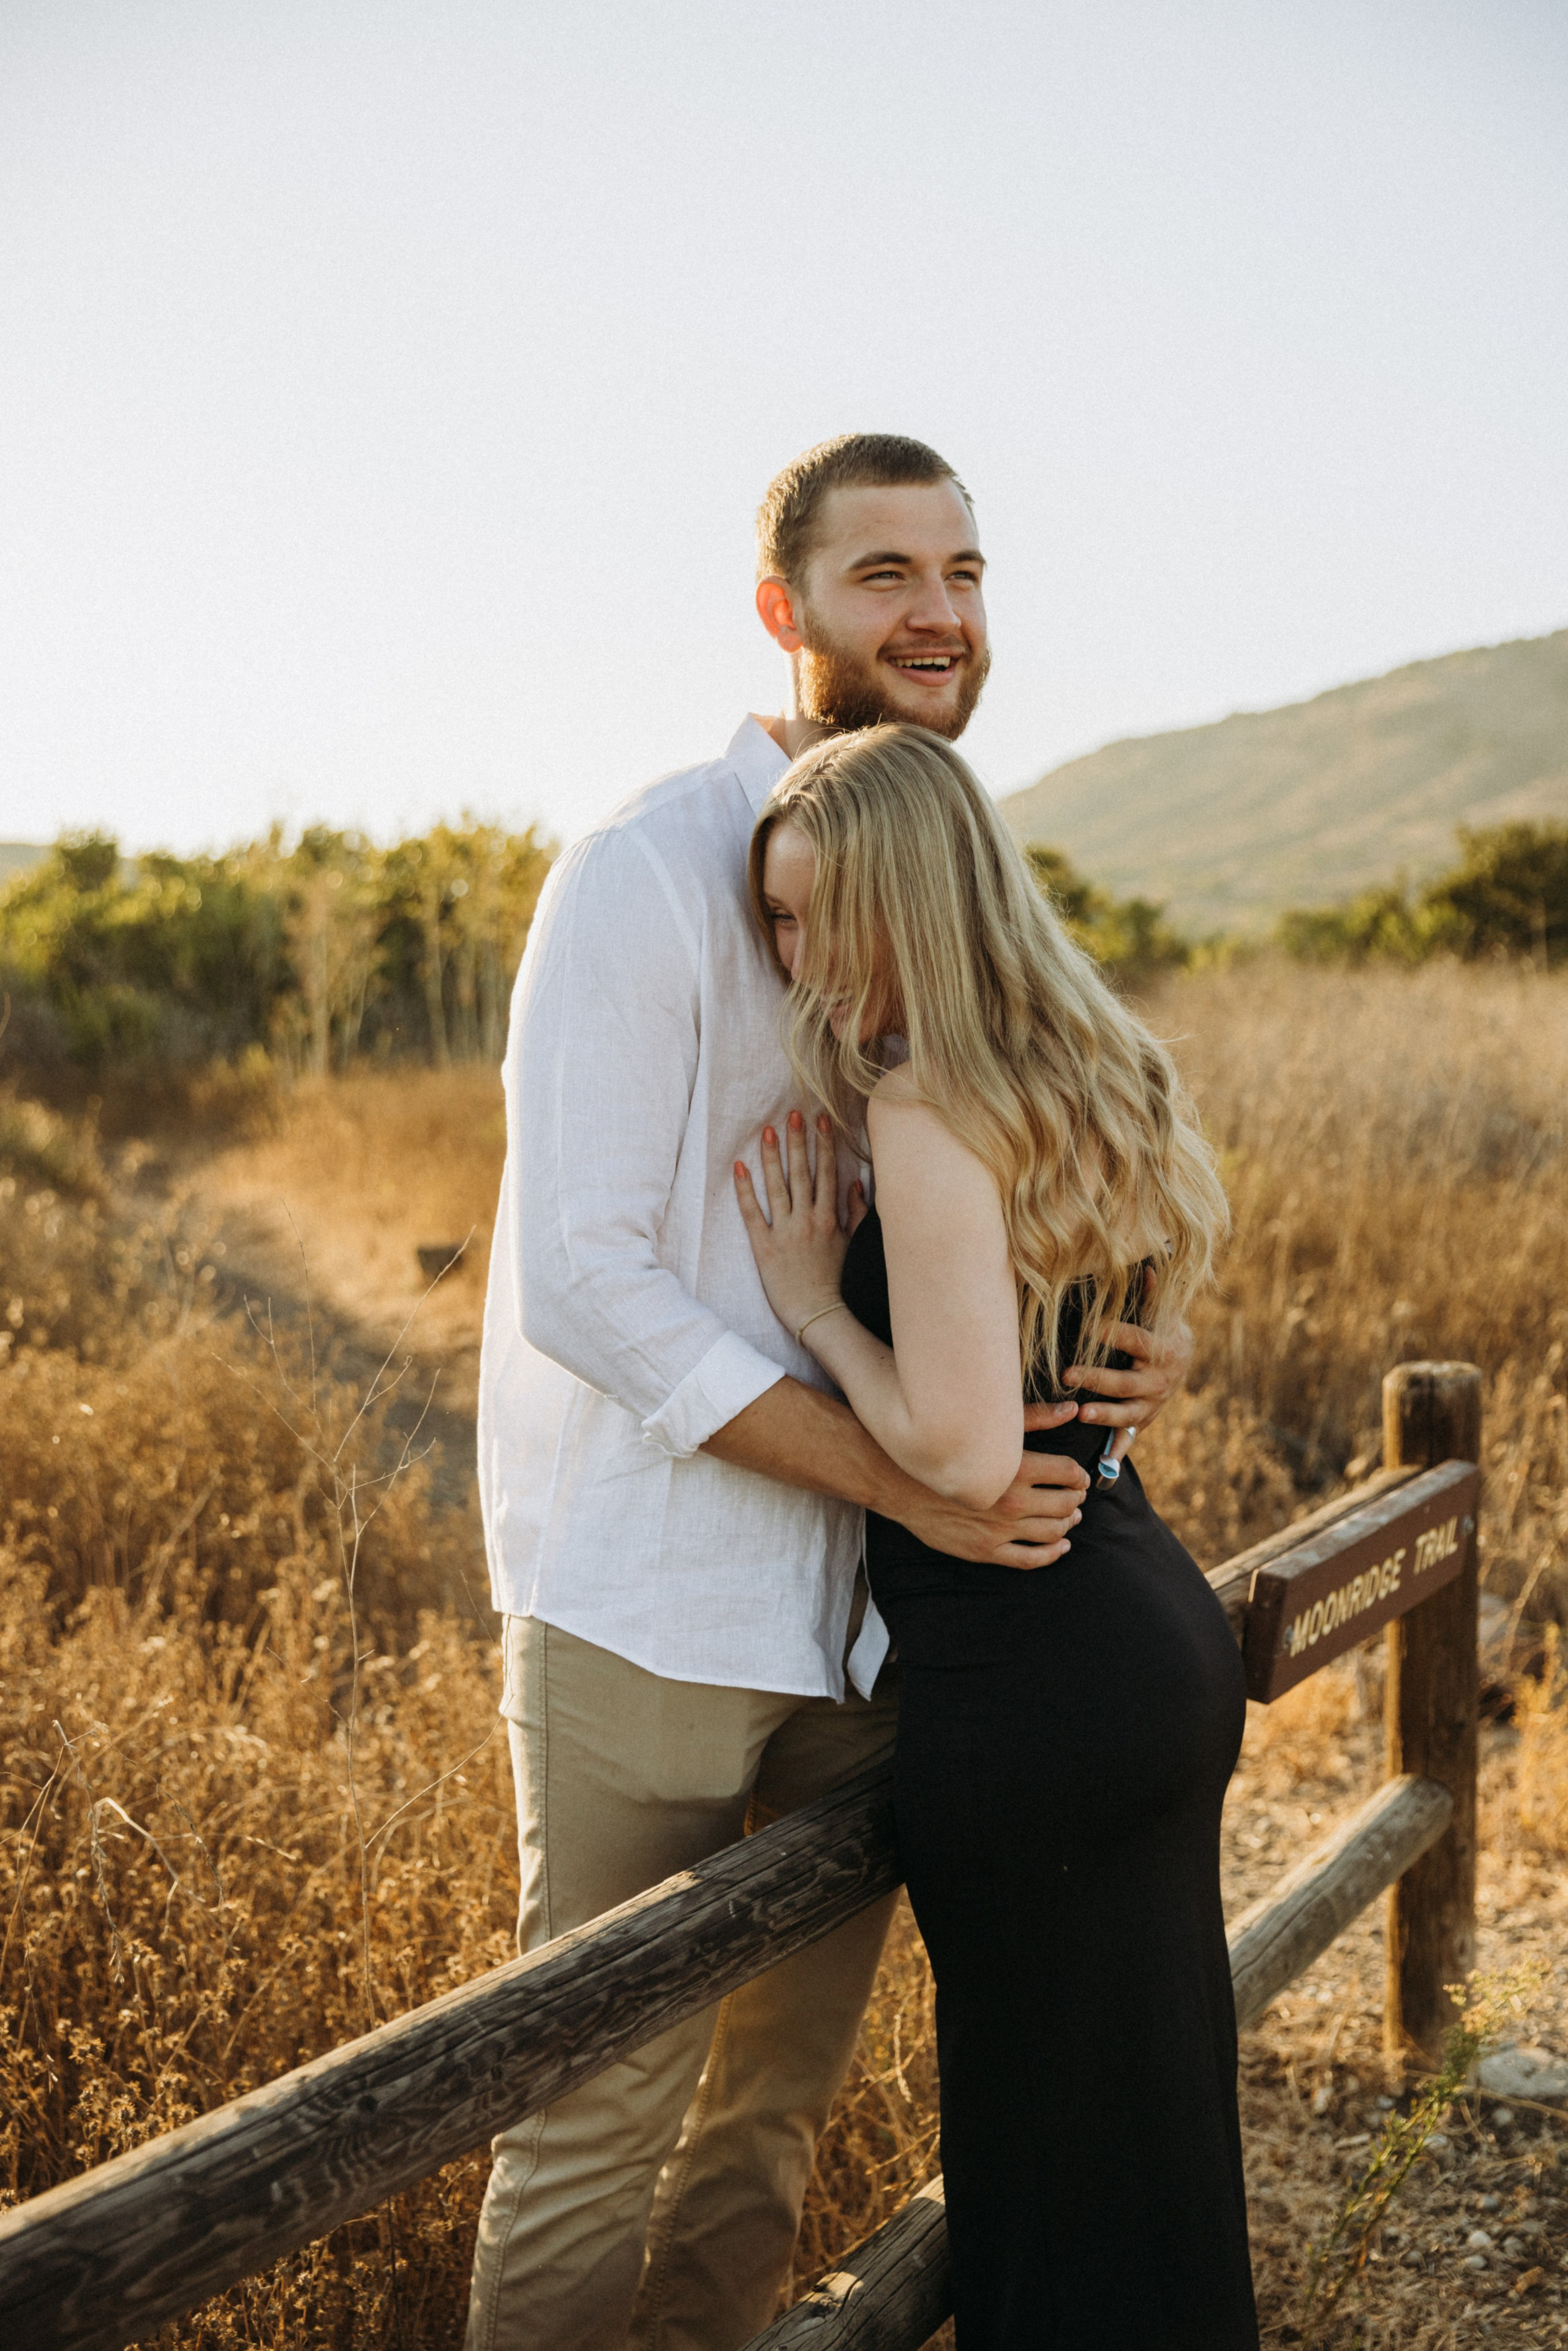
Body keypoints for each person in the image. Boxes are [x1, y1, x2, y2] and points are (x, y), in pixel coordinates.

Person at [467, 435, 1194, 2351]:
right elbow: (581, 1279)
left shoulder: (934, 855)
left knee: (768, 2123)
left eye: (963, 570)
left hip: (879, 1641)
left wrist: (1120, 1339)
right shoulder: (647, 864)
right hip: (657, 1609)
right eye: (886, 576)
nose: (939, 613)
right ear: (785, 614)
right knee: (590, 2116)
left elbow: (1021, 1176)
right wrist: (919, 1485)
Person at [734, 722, 1257, 2350]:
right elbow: (1115, 1329)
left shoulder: (925, 1093)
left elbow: (962, 1451)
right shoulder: (1080, 1061)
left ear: (909, 899)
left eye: (818, 916)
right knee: (1154, 2131)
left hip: (1034, 1676)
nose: (796, 959)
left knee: (1047, 2174)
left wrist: (817, 1300)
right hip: (1143, 1627)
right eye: (775, 923)